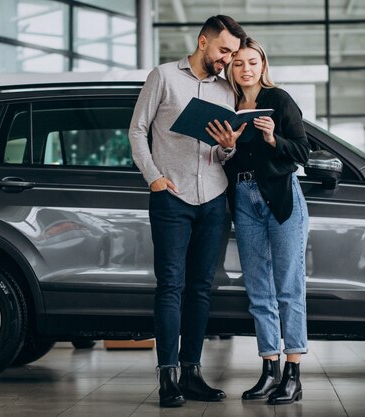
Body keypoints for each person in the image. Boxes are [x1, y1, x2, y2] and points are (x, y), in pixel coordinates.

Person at [129, 15, 246, 408]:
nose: (228, 60)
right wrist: (154, 178)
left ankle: (193, 373)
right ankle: (168, 378)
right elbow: (137, 130)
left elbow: (220, 152)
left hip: (213, 197)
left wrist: (228, 146)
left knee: (200, 288)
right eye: (224, 51)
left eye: (232, 54)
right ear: (202, 42)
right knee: (170, 287)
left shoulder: (226, 90)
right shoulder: (162, 76)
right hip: (171, 197)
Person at [206, 37, 310, 405]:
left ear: (263, 66)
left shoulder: (279, 101)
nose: (246, 68)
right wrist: (229, 146)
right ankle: (269, 370)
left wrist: (270, 137)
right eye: (239, 63)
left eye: (253, 62)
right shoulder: (227, 106)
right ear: (231, 69)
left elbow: (302, 153)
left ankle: (293, 375)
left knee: (288, 287)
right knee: (259, 291)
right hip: (245, 201)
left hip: (282, 199)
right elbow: (227, 161)